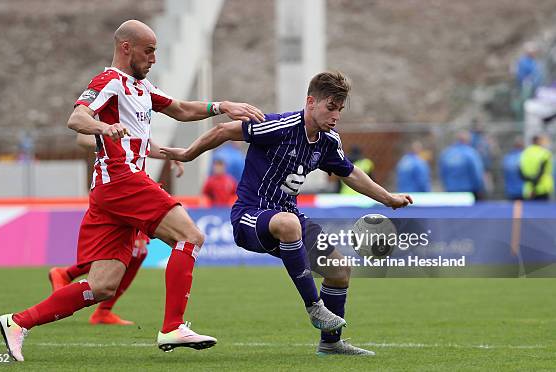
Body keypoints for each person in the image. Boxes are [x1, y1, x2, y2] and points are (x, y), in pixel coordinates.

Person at [0, 19, 265, 361]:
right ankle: (172, 326)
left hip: (112, 191)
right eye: (149, 51)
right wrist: (103, 127)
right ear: (127, 48)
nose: (154, 58)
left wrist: (221, 106)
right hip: (121, 181)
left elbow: (180, 109)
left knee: (102, 286)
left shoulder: (142, 88)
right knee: (190, 236)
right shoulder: (109, 81)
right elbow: (77, 118)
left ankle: (17, 322)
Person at [160, 71, 412, 356]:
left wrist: (387, 198)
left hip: (287, 215)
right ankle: (314, 307)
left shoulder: (329, 141)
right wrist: (187, 154)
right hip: (250, 216)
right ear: (310, 102)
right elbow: (222, 130)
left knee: (339, 270)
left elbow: (350, 173)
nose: (335, 116)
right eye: (331, 107)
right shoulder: (278, 125)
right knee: (289, 223)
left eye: (339, 110)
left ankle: (331, 343)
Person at [47, 134, 184, 326]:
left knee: (138, 251)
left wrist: (167, 154)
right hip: (116, 184)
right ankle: (83, 292)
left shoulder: (140, 108)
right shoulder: (107, 106)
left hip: (135, 182)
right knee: (131, 250)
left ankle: (82, 289)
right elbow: (82, 137)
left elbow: (141, 142)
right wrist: (111, 147)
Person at [438, 131, 485, 199]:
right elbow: (476, 173)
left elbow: (442, 172)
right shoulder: (471, 153)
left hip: (451, 190)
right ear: (467, 140)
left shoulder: (447, 153)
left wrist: (446, 185)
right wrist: (479, 188)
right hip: (468, 191)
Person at [519, 134, 553, 200]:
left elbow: (520, 171)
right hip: (543, 188)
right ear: (539, 141)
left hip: (529, 189)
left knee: (529, 209)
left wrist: (532, 187)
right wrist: (535, 186)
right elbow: (542, 171)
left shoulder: (524, 153)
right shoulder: (544, 153)